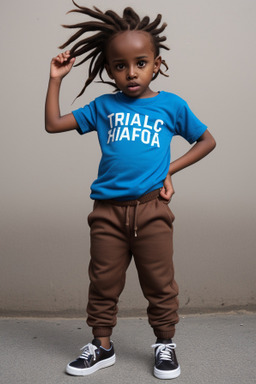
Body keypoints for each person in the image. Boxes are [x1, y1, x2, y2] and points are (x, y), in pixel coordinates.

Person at [45, 1, 216, 380]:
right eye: (120, 66)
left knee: (159, 281)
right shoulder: (104, 106)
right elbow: (53, 124)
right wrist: (56, 78)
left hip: (152, 208)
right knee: (103, 281)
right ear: (109, 69)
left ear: (157, 64)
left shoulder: (171, 105)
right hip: (107, 211)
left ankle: (165, 344)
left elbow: (207, 141)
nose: (131, 72)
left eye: (140, 62)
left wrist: (167, 169)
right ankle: (101, 346)